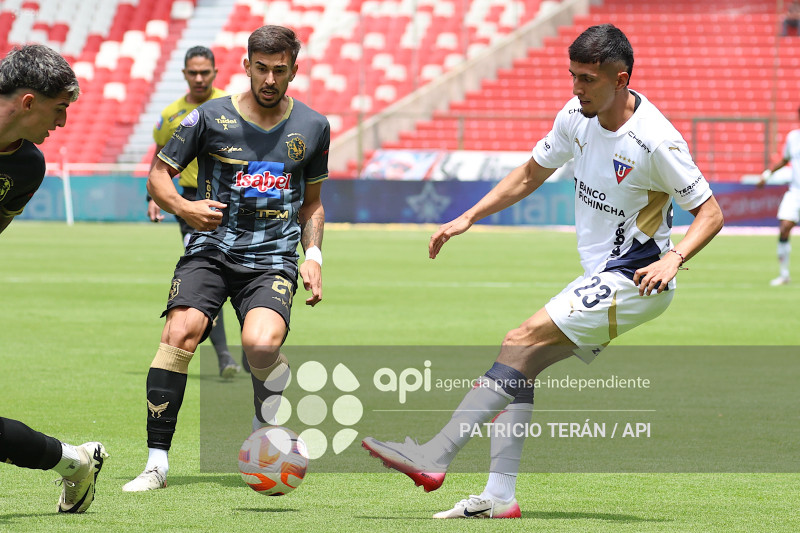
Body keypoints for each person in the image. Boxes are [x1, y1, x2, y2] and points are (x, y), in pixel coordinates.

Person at [362, 24, 724, 519]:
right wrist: (469, 216)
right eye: (572, 76)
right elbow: (531, 172)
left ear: (621, 79)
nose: (576, 88)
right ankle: (499, 496)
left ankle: (434, 455)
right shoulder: (576, 116)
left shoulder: (656, 141)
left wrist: (673, 257)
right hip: (604, 274)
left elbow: (711, 213)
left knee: (519, 339)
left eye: (588, 79)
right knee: (520, 364)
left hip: (636, 277)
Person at [122, 25, 329, 492]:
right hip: (211, 250)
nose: (270, 79)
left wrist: (313, 254)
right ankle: (156, 463)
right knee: (179, 333)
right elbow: (158, 176)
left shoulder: (314, 126)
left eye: (280, 70)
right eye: (262, 68)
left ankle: (264, 419)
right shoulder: (208, 118)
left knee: (260, 345)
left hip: (273, 257)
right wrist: (184, 207)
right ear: (246, 66)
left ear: (294, 70)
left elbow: (312, 203)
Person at [0, 44, 108, 513]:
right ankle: (75, 461)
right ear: (29, 102)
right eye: (59, 109)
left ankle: (74, 461)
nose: (62, 123)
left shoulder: (28, 166)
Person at [147, 45, 242, 378]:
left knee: (241, 270)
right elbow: (161, 154)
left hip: (232, 200)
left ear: (215, 72)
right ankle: (225, 356)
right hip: (190, 205)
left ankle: (251, 344)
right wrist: (153, 195)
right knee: (207, 274)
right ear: (184, 74)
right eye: (193, 72)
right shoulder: (171, 114)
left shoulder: (232, 107)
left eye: (205, 72)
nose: (199, 78)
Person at [757, 106, 800, 286]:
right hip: (795, 192)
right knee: (784, 228)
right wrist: (767, 174)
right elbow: (785, 160)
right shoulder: (793, 137)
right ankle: (784, 274)